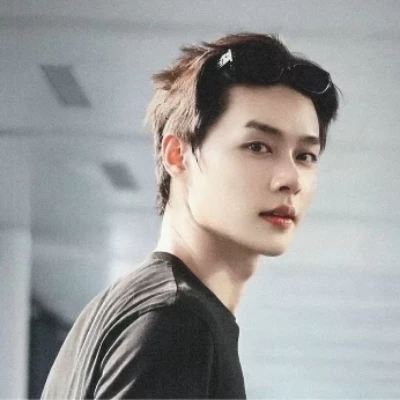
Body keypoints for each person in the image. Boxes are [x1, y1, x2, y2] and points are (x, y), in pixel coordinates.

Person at [41, 32, 339, 399]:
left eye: (305, 156)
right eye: (258, 147)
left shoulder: (121, 309)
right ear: (177, 155)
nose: (291, 179)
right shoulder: (177, 322)